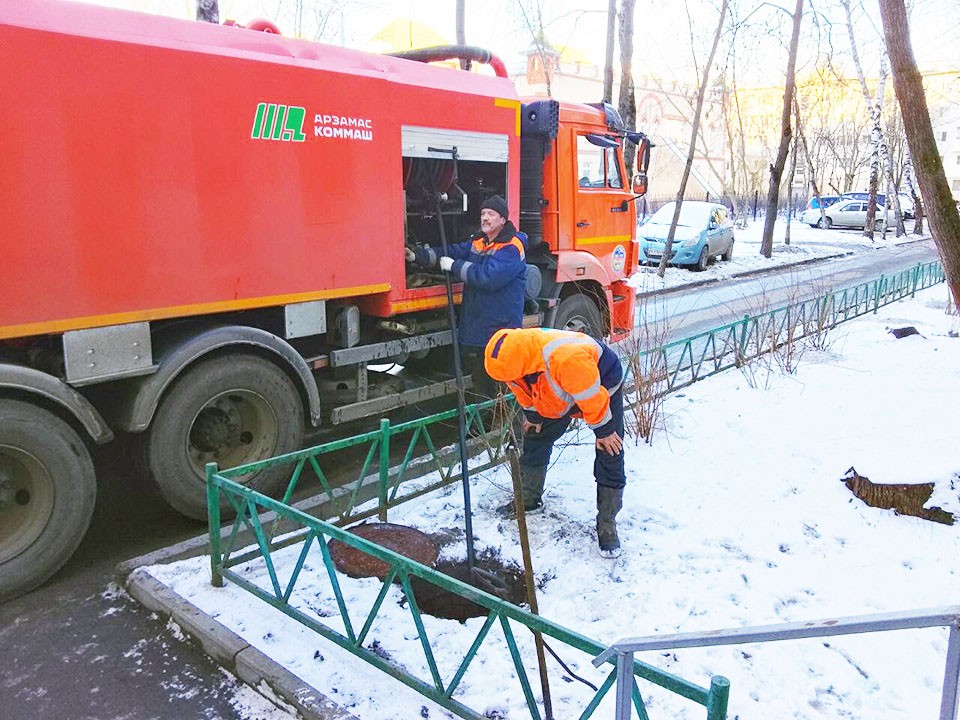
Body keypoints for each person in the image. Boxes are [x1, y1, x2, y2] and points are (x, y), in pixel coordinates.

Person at [483, 327, 626, 558]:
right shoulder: (514, 361)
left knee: (610, 450)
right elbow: (522, 389)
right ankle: (528, 500)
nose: (507, 381)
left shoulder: (567, 359)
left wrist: (605, 430)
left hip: (599, 386)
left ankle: (607, 525)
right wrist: (534, 416)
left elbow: (591, 396)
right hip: (558, 389)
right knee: (535, 437)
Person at [406, 195, 526, 400]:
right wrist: (420, 256)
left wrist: (453, 266)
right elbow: (454, 250)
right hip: (480, 326)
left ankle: (504, 426)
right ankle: (487, 424)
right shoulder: (480, 241)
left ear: (502, 220)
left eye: (491, 214)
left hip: (498, 329)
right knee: (481, 380)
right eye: (483, 214)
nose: (485, 218)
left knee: (497, 382)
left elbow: (487, 277)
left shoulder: (511, 247)